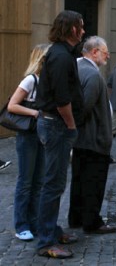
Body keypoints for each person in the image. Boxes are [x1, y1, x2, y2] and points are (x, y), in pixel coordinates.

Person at [35, 10, 85, 259]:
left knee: (55, 182)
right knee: (53, 185)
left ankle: (52, 230)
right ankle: (46, 241)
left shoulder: (63, 54)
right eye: (81, 26)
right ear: (72, 29)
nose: (84, 31)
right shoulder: (61, 56)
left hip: (55, 125)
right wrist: (72, 125)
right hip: (57, 125)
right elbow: (62, 99)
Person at [68, 36, 116, 235]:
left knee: (79, 180)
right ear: (94, 52)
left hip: (82, 140)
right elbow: (84, 108)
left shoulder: (76, 68)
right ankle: (92, 221)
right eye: (105, 53)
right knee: (93, 182)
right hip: (94, 139)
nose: (108, 56)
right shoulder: (93, 75)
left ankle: (76, 217)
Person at [7, 43, 50, 242]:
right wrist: (34, 112)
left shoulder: (47, 81)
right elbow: (12, 105)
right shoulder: (30, 80)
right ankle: (21, 225)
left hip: (42, 134)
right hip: (28, 135)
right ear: (42, 59)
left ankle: (33, 222)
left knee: (39, 181)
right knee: (26, 181)